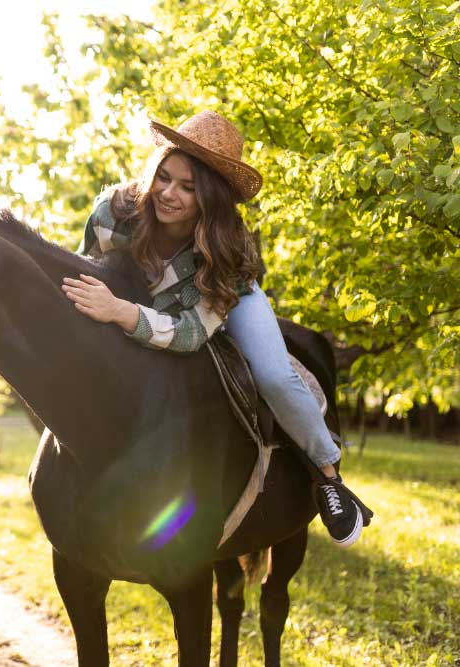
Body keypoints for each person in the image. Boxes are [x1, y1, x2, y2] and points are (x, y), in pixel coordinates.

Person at [61, 110, 369, 547]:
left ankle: (327, 475)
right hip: (143, 299)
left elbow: (189, 334)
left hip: (225, 296)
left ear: (211, 196)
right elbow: (87, 275)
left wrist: (121, 313)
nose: (169, 194)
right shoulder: (113, 215)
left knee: (274, 376)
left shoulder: (224, 251)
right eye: (164, 176)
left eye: (188, 187)